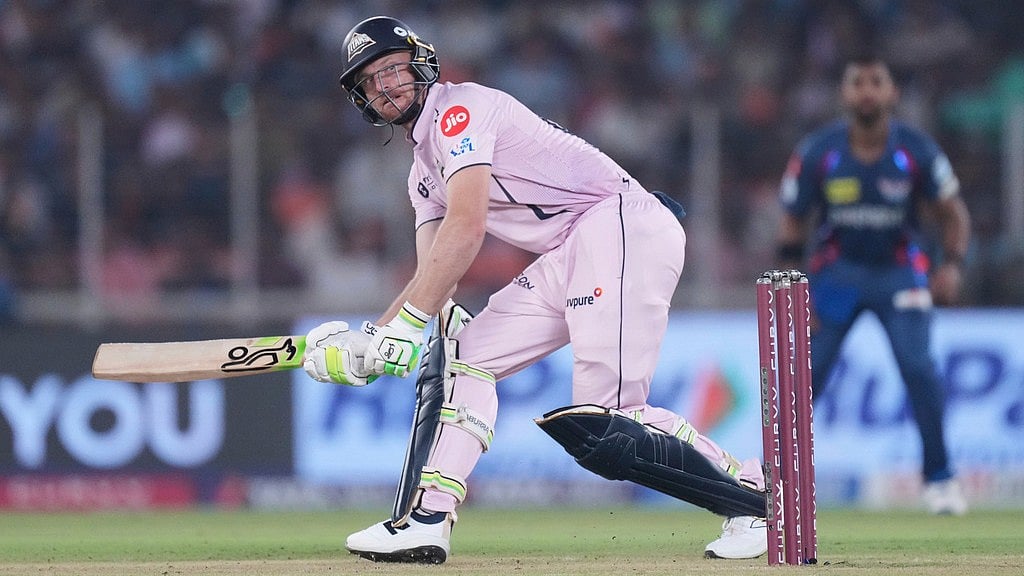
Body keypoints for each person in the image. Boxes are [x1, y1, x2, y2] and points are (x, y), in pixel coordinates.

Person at [301, 16, 768, 564]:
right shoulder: (421, 175)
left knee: (609, 421)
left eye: (392, 68)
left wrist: (400, 329)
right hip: (573, 248)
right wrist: (369, 342)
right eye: (371, 80)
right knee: (465, 356)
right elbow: (435, 277)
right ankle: (427, 520)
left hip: (619, 224)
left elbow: (467, 227)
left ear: (420, 62)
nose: (385, 86)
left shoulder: (459, 110)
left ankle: (755, 500)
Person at [776, 54, 971, 515]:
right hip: (836, 276)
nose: (867, 91)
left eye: (876, 82)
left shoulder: (916, 150)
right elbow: (792, 221)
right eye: (857, 82)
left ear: (892, 92)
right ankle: (777, 481)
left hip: (900, 273)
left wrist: (952, 265)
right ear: (844, 94)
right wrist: (794, 290)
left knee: (919, 369)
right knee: (805, 376)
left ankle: (940, 481)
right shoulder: (819, 151)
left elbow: (953, 213)